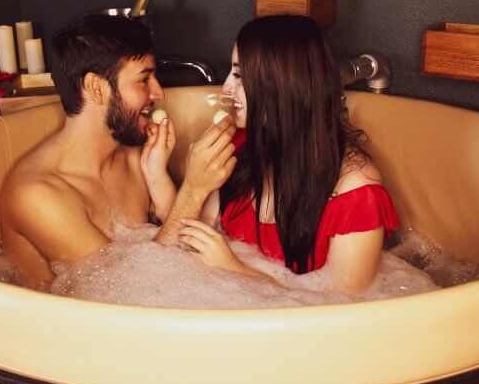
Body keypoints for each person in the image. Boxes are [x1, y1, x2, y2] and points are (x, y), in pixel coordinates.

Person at [158, 15, 400, 295]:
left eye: (238, 75)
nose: (225, 87)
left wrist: (236, 268)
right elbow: (170, 263)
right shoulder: (237, 149)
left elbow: (341, 310)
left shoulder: (355, 192)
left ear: (281, 86)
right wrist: (181, 181)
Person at [0, 14, 235, 288]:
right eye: (144, 79)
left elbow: (182, 251)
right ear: (97, 88)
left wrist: (157, 177)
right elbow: (124, 288)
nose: (159, 93)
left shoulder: (135, 158)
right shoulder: (36, 194)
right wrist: (194, 190)